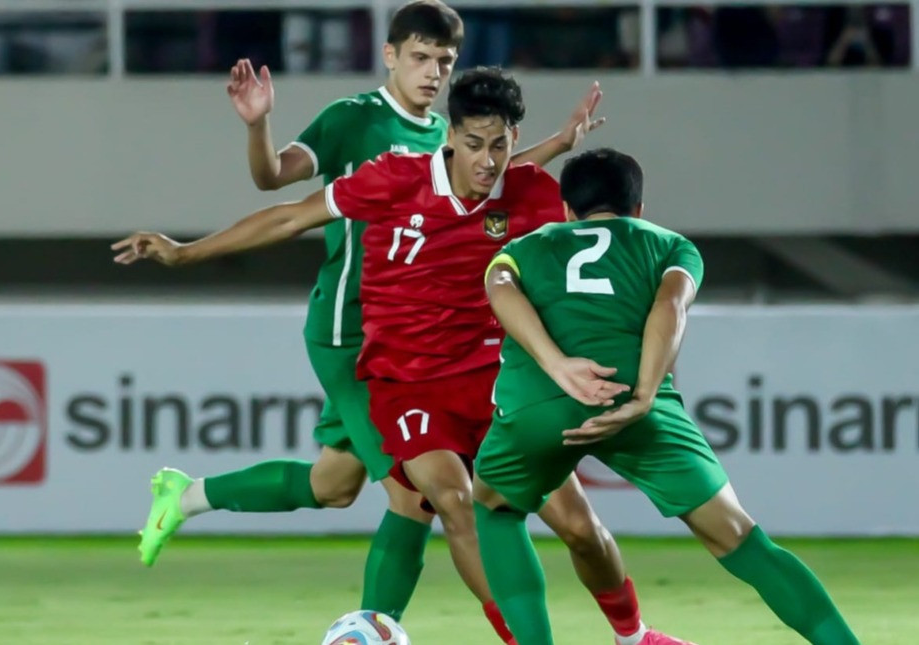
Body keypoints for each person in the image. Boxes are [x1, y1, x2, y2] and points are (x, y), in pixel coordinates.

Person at [114, 67, 689, 645]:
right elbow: (290, 215)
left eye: (499, 145)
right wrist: (185, 253)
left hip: (497, 383)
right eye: (472, 144)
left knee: (575, 524)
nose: (486, 161)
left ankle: (634, 636)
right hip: (406, 383)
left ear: (515, 139)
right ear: (450, 138)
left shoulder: (537, 196)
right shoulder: (393, 178)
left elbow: (608, 257)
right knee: (449, 499)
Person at [474, 148, 860, 645]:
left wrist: (557, 365)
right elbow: (671, 305)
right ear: (638, 208)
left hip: (540, 403)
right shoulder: (672, 247)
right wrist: (643, 395)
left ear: (566, 210)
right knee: (741, 537)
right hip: (639, 403)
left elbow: (500, 289)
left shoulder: (524, 248)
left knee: (494, 509)